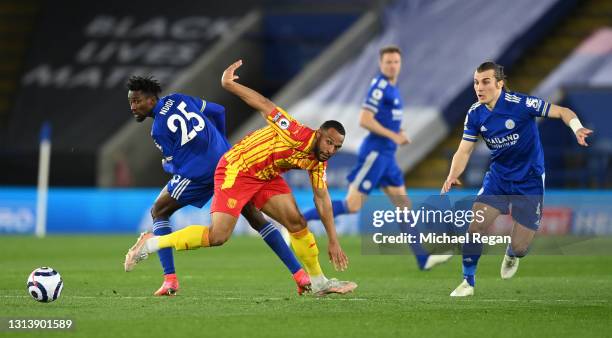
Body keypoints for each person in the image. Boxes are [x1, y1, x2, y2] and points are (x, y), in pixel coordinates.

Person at [124, 61, 357, 296]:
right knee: (218, 236)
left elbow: (322, 198)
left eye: (337, 147)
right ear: (318, 134)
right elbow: (264, 104)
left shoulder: (319, 161)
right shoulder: (294, 132)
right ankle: (152, 244)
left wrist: (333, 240)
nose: (331, 150)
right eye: (329, 142)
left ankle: (318, 281)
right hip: (238, 169)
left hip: (265, 175)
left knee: (296, 223)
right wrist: (228, 85)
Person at [442, 61, 593, 297]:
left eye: (485, 82)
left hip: (529, 181)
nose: (479, 88)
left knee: (521, 247)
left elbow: (563, 111)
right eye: (475, 82)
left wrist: (576, 128)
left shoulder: (522, 104)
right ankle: (467, 282)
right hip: (499, 179)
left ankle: (512, 253)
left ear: (499, 84)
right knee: (476, 225)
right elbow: (464, 150)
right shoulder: (475, 113)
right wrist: (453, 174)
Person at [301, 45, 451, 269]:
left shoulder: (394, 88)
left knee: (404, 206)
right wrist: (393, 135)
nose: (392, 66)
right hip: (375, 154)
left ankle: (422, 258)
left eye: (396, 62)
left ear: (400, 64)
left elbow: (384, 120)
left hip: (388, 157)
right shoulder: (380, 87)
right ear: (381, 64)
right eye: (388, 62)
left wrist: (396, 134)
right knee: (353, 205)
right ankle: (297, 220)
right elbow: (365, 119)